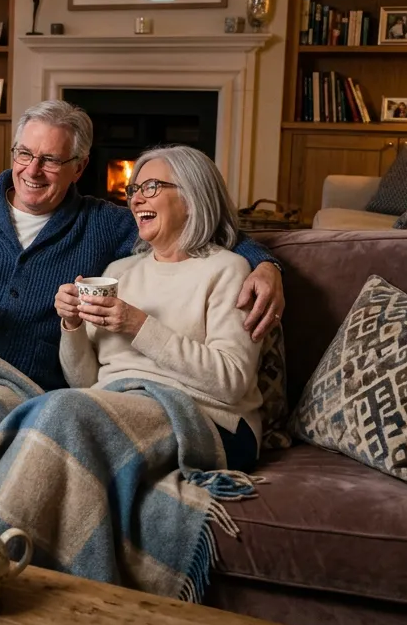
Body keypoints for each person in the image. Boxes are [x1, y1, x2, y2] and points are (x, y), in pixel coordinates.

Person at [0, 100, 283, 391]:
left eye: (50, 160)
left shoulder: (106, 224)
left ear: (79, 167)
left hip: (7, 382)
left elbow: (196, 225)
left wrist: (264, 265)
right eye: (24, 154)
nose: (32, 170)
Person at [54, 145, 264, 472]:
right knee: (53, 412)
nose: (136, 199)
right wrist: (72, 326)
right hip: (114, 404)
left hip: (206, 420)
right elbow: (85, 382)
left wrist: (139, 326)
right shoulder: (118, 272)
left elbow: (230, 381)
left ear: (193, 198)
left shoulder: (228, 270)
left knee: (66, 418)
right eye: (134, 189)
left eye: (151, 187)